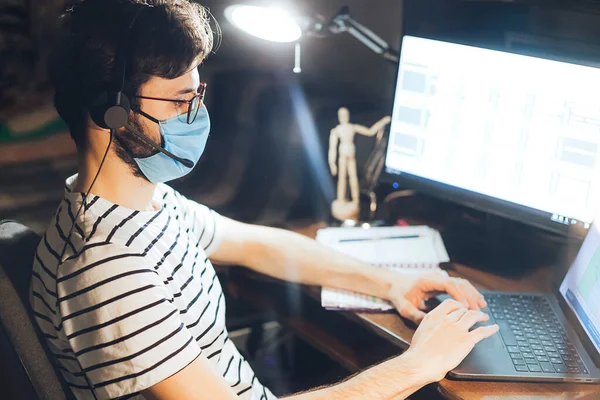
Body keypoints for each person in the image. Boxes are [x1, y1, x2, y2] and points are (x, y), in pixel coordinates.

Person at [30, 1, 499, 399]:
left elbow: (258, 245)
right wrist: (417, 366)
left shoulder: (141, 204)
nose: (197, 115)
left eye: (198, 95)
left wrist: (389, 282)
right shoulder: (107, 268)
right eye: (179, 101)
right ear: (113, 113)